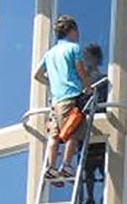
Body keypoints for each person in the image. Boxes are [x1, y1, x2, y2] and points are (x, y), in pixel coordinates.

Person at [34, 15, 92, 184]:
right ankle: (66, 165)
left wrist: (51, 83)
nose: (78, 34)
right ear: (71, 31)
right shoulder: (74, 48)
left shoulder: (49, 54)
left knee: (54, 136)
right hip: (71, 97)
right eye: (77, 31)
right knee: (73, 132)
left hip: (56, 101)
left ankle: (51, 168)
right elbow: (80, 71)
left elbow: (37, 75)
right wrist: (88, 87)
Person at [80, 44, 107, 204]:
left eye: (88, 57)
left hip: (99, 124)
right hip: (86, 126)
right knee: (87, 168)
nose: (86, 61)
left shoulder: (102, 79)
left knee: (102, 166)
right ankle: (89, 197)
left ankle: (106, 196)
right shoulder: (83, 80)